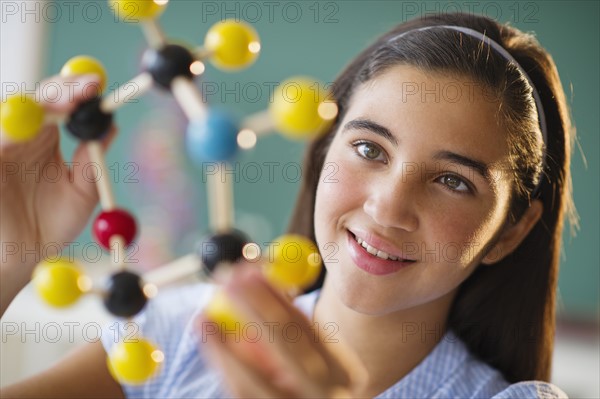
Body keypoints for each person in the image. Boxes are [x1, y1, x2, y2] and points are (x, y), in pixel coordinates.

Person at [0, 12, 577, 398]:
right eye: (368, 148)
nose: (388, 207)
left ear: (510, 231)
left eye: (453, 181)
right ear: (324, 152)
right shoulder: (175, 332)